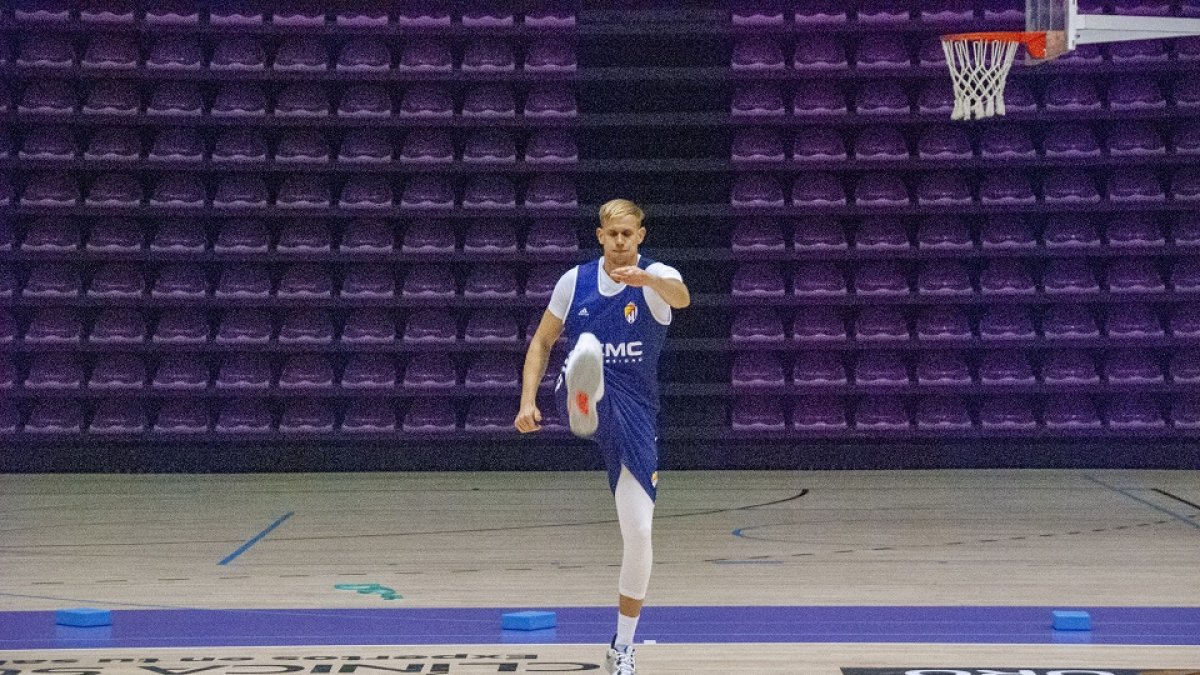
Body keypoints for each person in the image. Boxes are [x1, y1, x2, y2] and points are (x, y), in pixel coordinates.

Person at [514, 199, 690, 675]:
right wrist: (526, 401)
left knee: (639, 533)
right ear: (600, 236)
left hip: (635, 417)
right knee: (586, 350)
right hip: (578, 390)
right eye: (612, 234)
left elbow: (681, 297)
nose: (619, 242)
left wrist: (648, 280)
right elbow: (542, 341)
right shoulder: (574, 282)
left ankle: (622, 647)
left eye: (628, 235)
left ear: (640, 235)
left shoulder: (657, 279)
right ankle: (581, 399)